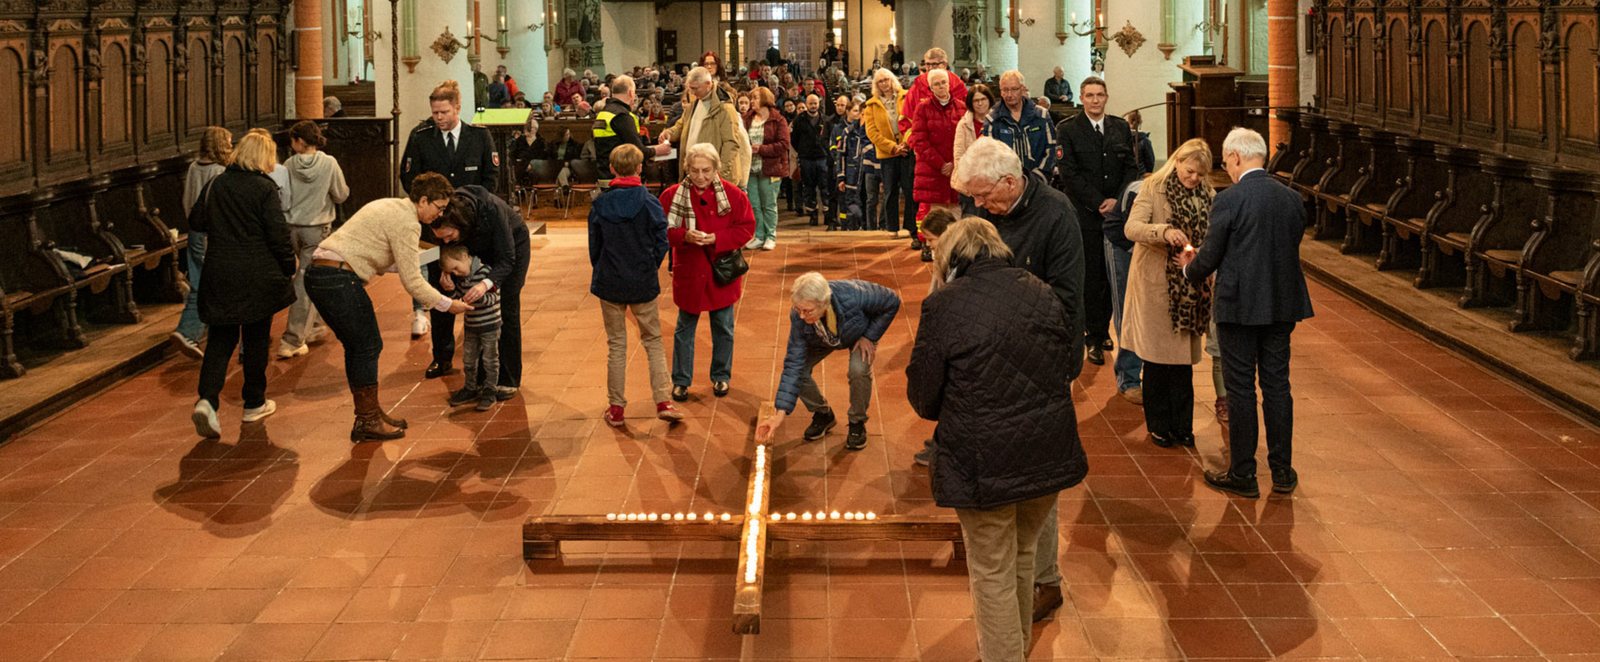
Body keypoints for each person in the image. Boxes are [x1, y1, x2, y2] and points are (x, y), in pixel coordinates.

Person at [906, 217, 1086, 662]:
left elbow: (923, 396)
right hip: (1047, 450)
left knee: (991, 571)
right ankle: (1014, 650)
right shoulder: (1041, 291)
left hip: (984, 460)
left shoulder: (945, 305)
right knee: (1023, 557)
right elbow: (1067, 363)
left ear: (951, 259)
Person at [951, 136, 1085, 624]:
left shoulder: (1056, 214)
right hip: (993, 363)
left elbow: (1068, 299)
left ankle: (1044, 579)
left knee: (1040, 471)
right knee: (1016, 466)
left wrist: (1060, 366)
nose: (978, 206)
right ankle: (1022, 566)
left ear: (1011, 182)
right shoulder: (988, 207)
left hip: (1042, 362)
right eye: (974, 198)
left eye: (984, 196)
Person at [1177, 127, 1315, 498]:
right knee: (1277, 386)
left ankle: (1243, 473)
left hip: (1240, 307)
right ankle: (1283, 471)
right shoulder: (1291, 198)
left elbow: (1212, 254)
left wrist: (1189, 268)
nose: (1228, 169)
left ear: (1236, 157)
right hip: (1282, 303)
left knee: (1240, 390)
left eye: (1226, 163)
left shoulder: (1230, 199)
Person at [307, 174, 471, 442]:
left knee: (362, 346)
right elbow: (412, 280)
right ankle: (367, 420)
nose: (440, 215)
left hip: (324, 274)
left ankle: (369, 412)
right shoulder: (408, 222)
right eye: (439, 208)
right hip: (335, 278)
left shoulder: (391, 206)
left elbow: (385, 258)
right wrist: (447, 305)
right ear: (423, 200)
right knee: (366, 347)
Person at [188, 131, 296, 438]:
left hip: (219, 270)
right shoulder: (264, 188)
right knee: (256, 340)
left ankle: (207, 401)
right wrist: (288, 266)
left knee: (220, 340)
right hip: (257, 275)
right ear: (263, 157)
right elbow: (278, 235)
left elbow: (196, 221)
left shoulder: (216, 184)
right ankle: (253, 403)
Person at [1121, 138, 1215, 449]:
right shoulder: (1153, 188)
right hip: (1157, 286)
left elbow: (1216, 238)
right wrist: (1163, 231)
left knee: (1183, 364)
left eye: (1199, 175)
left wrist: (1196, 254)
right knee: (1159, 362)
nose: (1194, 179)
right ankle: (1159, 425)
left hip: (1189, 289)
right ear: (1176, 162)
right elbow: (1132, 228)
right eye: (1189, 172)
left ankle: (1183, 426)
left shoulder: (1208, 194)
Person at [400, 80, 498, 371]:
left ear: (457, 107)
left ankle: (482, 355)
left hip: (471, 227)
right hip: (436, 228)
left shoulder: (479, 137)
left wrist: (471, 213)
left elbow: (490, 179)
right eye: (434, 113)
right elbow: (409, 180)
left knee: (477, 287)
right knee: (440, 288)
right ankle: (442, 357)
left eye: (443, 111)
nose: (438, 118)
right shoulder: (421, 137)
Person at [587, 144, 684, 425]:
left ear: (613, 169)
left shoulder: (600, 203)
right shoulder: (649, 201)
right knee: (653, 341)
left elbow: (595, 246)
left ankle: (616, 407)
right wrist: (649, 266)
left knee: (616, 344)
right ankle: (663, 401)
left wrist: (604, 268)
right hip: (642, 280)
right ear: (641, 168)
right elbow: (661, 239)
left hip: (610, 282)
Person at [755, 272, 901, 451]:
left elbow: (892, 301)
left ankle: (857, 422)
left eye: (807, 311)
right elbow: (793, 363)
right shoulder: (800, 318)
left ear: (824, 302)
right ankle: (823, 414)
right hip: (821, 337)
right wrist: (780, 414)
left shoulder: (854, 294)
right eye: (798, 309)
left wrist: (869, 336)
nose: (801, 316)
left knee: (858, 370)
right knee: (800, 372)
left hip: (857, 334)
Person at [1057, 76, 1141, 367]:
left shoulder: (1119, 127)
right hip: (1087, 215)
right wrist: (1097, 202)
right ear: (1081, 98)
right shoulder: (1068, 130)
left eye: (1100, 95)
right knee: (1092, 278)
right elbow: (1068, 173)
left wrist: (1118, 201)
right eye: (1089, 95)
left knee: (1114, 276)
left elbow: (1132, 168)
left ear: (1107, 97)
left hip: (1117, 217)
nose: (1095, 100)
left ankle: (1108, 333)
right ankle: (1093, 337)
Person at [663, 144, 757, 401]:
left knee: (723, 328)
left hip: (720, 274)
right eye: (694, 171)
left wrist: (717, 237)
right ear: (687, 169)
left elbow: (747, 229)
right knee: (684, 330)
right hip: (690, 272)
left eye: (706, 170)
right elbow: (660, 231)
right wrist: (684, 235)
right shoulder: (672, 195)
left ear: (716, 169)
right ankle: (681, 381)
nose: (700, 176)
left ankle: (721, 377)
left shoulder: (734, 195)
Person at [434, 184, 532, 397]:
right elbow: (452, 250)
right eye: (442, 239)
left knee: (506, 308)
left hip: (512, 248)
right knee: (477, 312)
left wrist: (486, 283)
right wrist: (447, 270)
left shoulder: (491, 209)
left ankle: (507, 379)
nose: (446, 241)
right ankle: (481, 381)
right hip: (478, 253)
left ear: (459, 224)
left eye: (449, 236)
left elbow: (507, 259)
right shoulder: (447, 221)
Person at [278, 121, 349, 359]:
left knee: (306, 276)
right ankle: (292, 339)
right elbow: (340, 195)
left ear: (299, 142)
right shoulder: (329, 163)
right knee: (306, 281)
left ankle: (315, 326)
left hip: (291, 228)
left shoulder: (288, 165)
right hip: (317, 228)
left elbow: (284, 197)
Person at [169, 126, 233, 360]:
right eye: (229, 141)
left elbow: (188, 201)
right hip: (212, 234)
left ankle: (201, 327)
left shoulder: (194, 167)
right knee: (203, 286)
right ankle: (187, 332)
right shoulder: (220, 171)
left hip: (195, 231)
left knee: (199, 280)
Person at [908, 207, 956, 467]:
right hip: (942, 330)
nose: (928, 245)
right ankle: (942, 439)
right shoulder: (944, 257)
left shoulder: (954, 262)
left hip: (950, 335)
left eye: (931, 239)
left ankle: (945, 446)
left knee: (949, 393)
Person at [659, 66, 751, 188]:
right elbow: (681, 126)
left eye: (695, 88)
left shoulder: (725, 109)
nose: (691, 92)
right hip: (694, 173)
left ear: (708, 84)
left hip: (713, 177)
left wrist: (719, 175)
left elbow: (731, 144)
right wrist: (669, 133)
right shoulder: (694, 104)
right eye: (690, 88)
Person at [909, 69, 965, 261]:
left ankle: (957, 259)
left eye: (943, 82)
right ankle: (938, 258)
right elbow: (919, 140)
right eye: (936, 84)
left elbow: (966, 139)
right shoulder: (922, 109)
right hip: (934, 173)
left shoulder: (961, 108)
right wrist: (941, 164)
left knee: (957, 219)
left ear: (949, 84)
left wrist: (955, 163)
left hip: (957, 172)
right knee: (937, 220)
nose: (941, 87)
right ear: (930, 88)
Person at [439, 245, 503, 412]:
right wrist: (451, 291)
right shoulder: (461, 279)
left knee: (490, 360)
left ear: (465, 256)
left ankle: (490, 390)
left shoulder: (485, 272)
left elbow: (494, 298)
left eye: (456, 268)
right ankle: (470, 388)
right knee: (468, 360)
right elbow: (459, 300)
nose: (457, 273)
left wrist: (478, 297)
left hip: (489, 325)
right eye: (452, 272)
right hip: (471, 326)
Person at [1101, 175, 1147, 405]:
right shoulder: (1139, 190)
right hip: (1121, 244)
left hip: (1149, 246)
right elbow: (1130, 232)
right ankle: (1127, 379)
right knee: (1127, 309)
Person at [863, 69, 915, 238]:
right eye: (880, 81)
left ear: (893, 80)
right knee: (890, 191)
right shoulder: (871, 105)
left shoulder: (907, 97)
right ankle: (892, 227)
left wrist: (905, 144)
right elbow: (872, 132)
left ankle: (910, 226)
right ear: (876, 85)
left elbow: (914, 121)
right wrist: (892, 147)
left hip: (907, 150)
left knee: (910, 190)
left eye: (887, 79)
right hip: (888, 154)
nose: (884, 83)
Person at [983, 71, 1056, 180]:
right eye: (1005, 90)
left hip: (1038, 182)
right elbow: (990, 156)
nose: (1009, 95)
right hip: (1007, 184)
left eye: (1014, 89)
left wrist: (1037, 178)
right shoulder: (992, 119)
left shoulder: (1041, 115)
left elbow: (1052, 148)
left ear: (1023, 89)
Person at [743, 86, 791, 251]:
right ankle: (759, 235)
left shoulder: (778, 120)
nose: (751, 102)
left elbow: (784, 144)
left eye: (755, 98)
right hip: (750, 169)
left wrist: (761, 149)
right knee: (754, 204)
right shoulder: (746, 118)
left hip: (770, 168)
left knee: (769, 204)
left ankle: (770, 236)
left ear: (764, 99)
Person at [592, 75, 647, 178]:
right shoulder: (622, 116)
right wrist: (657, 151)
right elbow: (637, 150)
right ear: (631, 92)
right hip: (623, 178)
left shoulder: (604, 112)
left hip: (604, 174)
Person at [835, 99, 874, 231]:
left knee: (870, 205)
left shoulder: (875, 132)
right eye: (861, 113)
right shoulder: (848, 132)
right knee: (853, 209)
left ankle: (869, 232)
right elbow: (841, 155)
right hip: (852, 177)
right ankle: (851, 233)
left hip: (870, 174)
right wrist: (841, 177)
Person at [792, 94, 830, 226]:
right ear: (806, 104)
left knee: (825, 187)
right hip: (806, 159)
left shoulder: (826, 120)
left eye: (815, 103)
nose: (813, 106)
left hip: (822, 158)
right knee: (809, 187)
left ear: (819, 103)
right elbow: (794, 140)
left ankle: (827, 214)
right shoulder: (799, 120)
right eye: (810, 103)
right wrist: (803, 150)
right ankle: (812, 214)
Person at [952, 84, 994, 168]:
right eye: (976, 100)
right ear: (971, 103)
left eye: (983, 99)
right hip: (970, 174)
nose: (980, 103)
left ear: (989, 100)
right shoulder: (963, 125)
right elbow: (959, 156)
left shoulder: (999, 121)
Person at [1126, 109, 1156, 176]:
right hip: (1142, 176)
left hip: (1128, 177)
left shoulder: (1124, 139)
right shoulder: (1145, 141)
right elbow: (1150, 162)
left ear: (1128, 122)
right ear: (1141, 122)